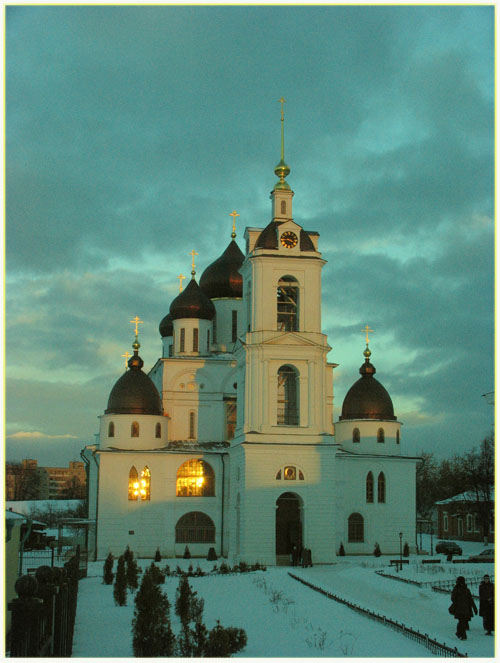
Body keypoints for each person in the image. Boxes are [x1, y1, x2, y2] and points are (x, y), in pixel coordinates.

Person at [451, 576, 477, 640]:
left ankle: (458, 632)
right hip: (459, 609)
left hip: (465, 609)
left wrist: (474, 608)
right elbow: (453, 598)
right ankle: (463, 635)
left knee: (461, 621)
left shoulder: (466, 589)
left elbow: (470, 599)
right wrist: (458, 602)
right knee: (462, 621)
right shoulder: (456, 589)